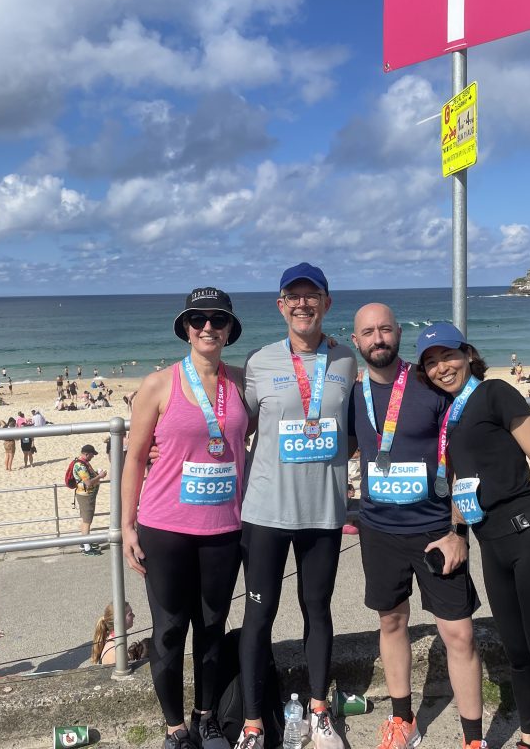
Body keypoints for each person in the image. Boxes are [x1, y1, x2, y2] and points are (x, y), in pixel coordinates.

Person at [417, 322, 530, 749]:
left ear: (467, 354)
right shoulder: (451, 414)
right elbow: (461, 482)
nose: (442, 368)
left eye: (448, 356)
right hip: (490, 544)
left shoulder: (496, 393)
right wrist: (456, 532)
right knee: (516, 652)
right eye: (431, 362)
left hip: (528, 536)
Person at [348, 305, 484, 749]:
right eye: (368, 332)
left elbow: (465, 460)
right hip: (378, 530)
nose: (378, 338)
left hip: (435, 529)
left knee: (459, 633)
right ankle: (402, 719)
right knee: (391, 622)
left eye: (385, 328)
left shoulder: (430, 386)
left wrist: (459, 532)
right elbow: (328, 446)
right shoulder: (351, 395)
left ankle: (472, 739)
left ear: (399, 333)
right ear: (356, 342)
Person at [234, 264, 357, 749]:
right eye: (293, 296)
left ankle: (320, 713)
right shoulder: (260, 361)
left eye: (313, 296)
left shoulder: (346, 360)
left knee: (318, 611)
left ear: (327, 303)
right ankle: (251, 724)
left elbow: (354, 431)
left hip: (324, 513)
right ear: (280, 305)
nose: (303, 304)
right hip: (265, 513)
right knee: (258, 616)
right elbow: (231, 428)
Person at [122, 287, 249, 749]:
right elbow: (134, 459)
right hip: (165, 527)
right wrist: (126, 526)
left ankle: (206, 717)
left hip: (223, 528)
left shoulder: (241, 383)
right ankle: (175, 727)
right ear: (186, 329)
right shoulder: (158, 384)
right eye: (198, 320)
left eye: (218, 320)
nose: (208, 327)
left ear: (231, 329)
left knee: (212, 626)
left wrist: (331, 346)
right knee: (170, 629)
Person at [74, 444, 108, 555]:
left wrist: (97, 474)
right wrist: (100, 476)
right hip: (85, 496)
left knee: (86, 519)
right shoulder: (80, 465)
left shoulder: (83, 463)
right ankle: (86, 548)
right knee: (87, 521)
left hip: (86, 495)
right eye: (92, 455)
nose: (93, 457)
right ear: (86, 454)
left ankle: (84, 542)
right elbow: (88, 483)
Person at [91, 602, 140, 666]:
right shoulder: (116, 653)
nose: (134, 615)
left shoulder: (115, 641)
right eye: (130, 614)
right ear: (119, 620)